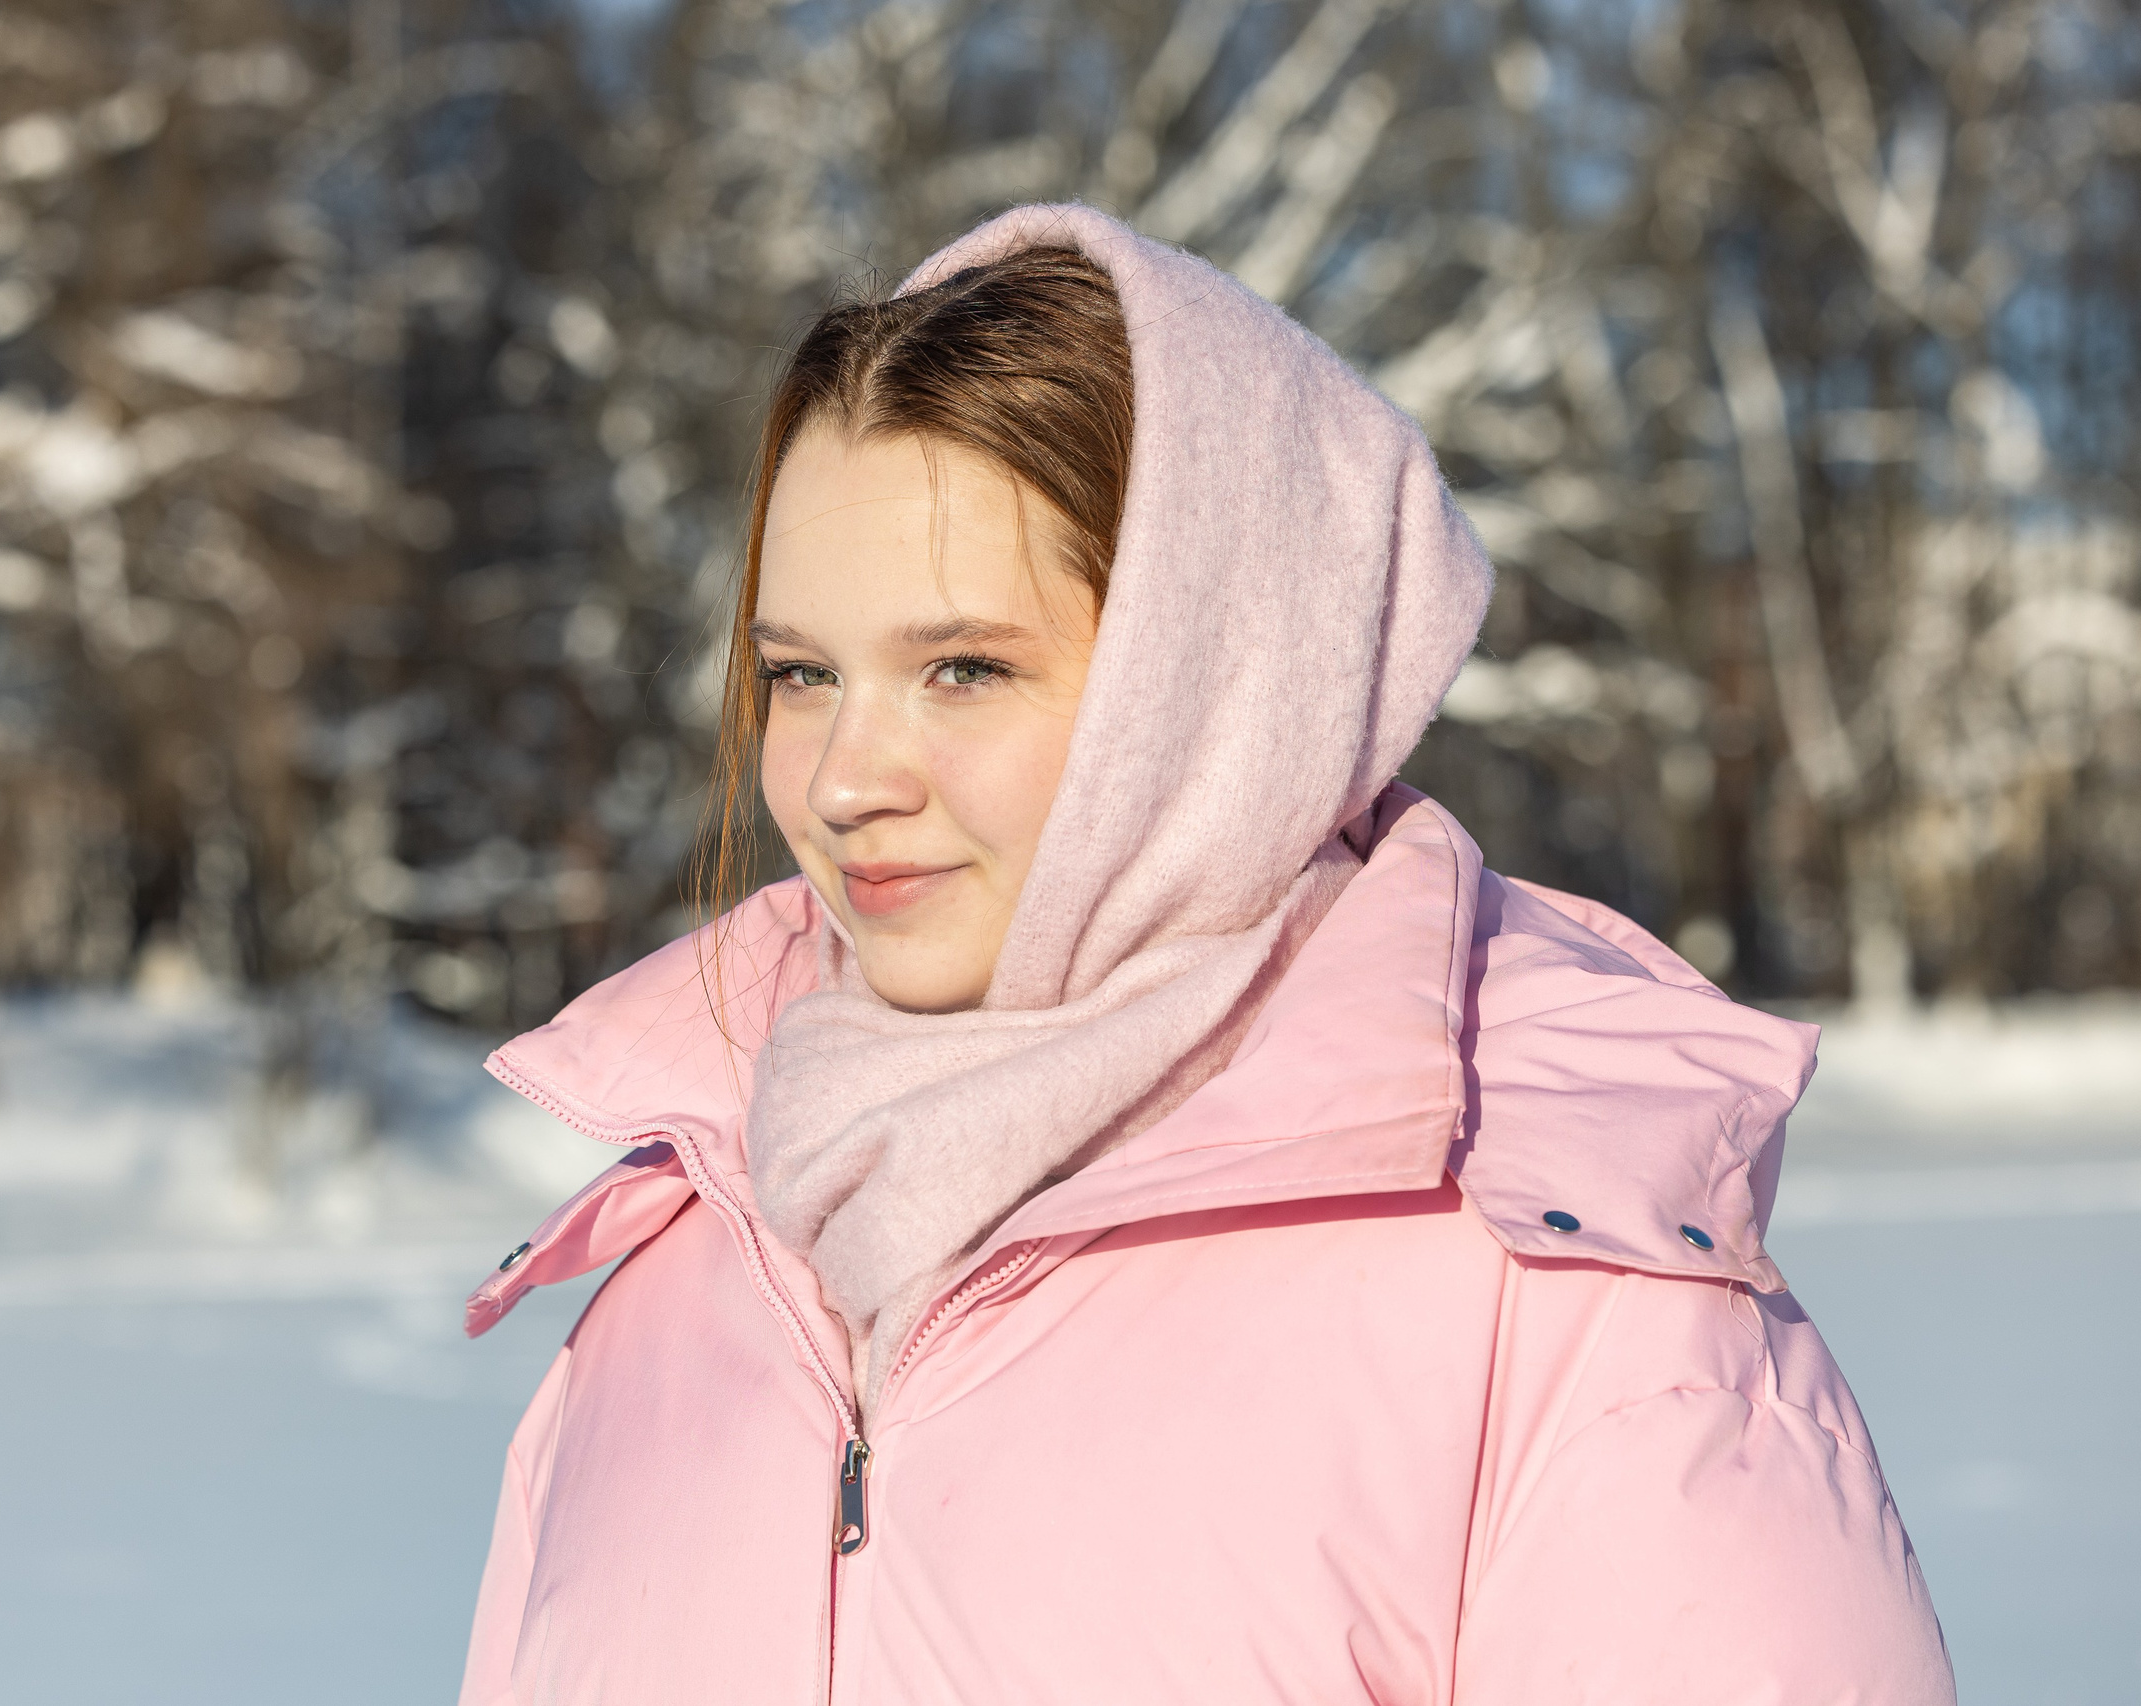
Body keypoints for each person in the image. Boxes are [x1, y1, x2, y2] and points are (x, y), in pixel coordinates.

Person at [455, 204, 1955, 1704]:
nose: (844, 780)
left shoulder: (1563, 1301)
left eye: (963, 667)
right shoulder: (678, 1271)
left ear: (1215, 689)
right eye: (801, 674)